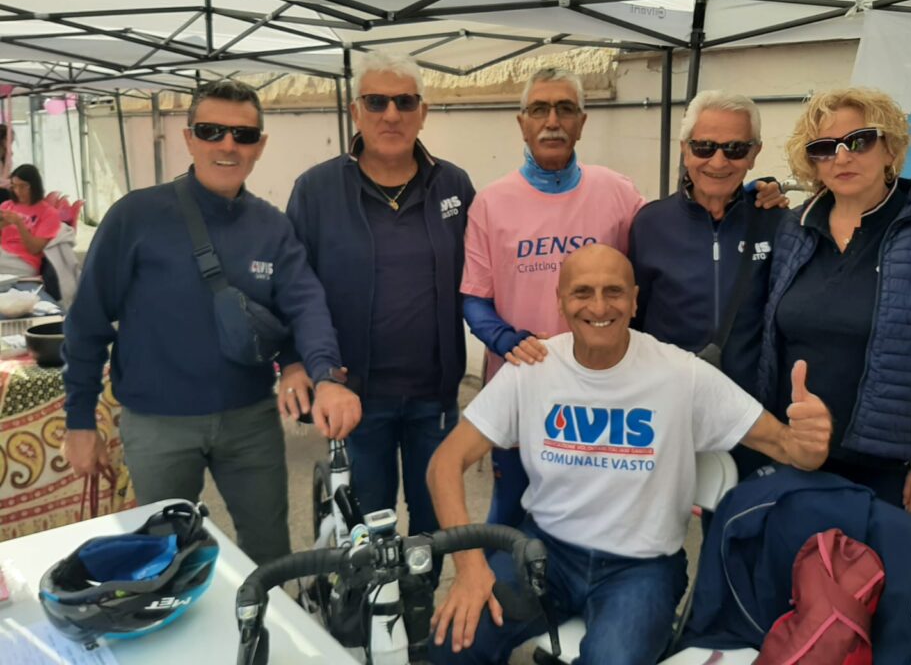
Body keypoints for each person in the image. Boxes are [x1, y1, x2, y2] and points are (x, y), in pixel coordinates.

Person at [428, 244, 833, 665]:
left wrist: (809, 443)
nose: (599, 306)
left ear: (635, 300)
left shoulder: (681, 374)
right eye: (582, 292)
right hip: (543, 553)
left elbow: (786, 446)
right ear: (560, 301)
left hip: (640, 569)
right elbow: (445, 464)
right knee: (453, 641)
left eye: (614, 291)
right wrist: (470, 568)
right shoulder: (532, 368)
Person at [62, 79, 349, 565]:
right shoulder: (136, 217)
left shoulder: (271, 227)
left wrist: (313, 370)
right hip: (158, 426)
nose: (227, 145)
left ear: (260, 145)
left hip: (249, 421)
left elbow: (304, 305)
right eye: (211, 131)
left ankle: (266, 618)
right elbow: (86, 323)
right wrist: (79, 421)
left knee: (269, 554)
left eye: (243, 135)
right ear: (188, 137)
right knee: (163, 557)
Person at [757, 87, 911, 517]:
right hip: (791, 452)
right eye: (825, 147)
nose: (842, 157)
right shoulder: (794, 228)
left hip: (880, 469)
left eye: (859, 140)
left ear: (890, 148)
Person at [279, 51, 475, 538]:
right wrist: (294, 361)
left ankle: (426, 590)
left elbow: (482, 275)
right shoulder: (316, 190)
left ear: (423, 112)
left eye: (405, 102)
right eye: (376, 102)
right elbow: (290, 285)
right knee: (369, 532)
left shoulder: (453, 184)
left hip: (435, 397)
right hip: (356, 397)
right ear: (355, 111)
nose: (391, 114)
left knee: (436, 528)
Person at [460, 66, 645, 528]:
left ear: (582, 122)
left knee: (596, 521)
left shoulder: (619, 192)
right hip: (522, 391)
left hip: (601, 396)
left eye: (565, 109)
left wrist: (734, 200)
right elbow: (474, 298)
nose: (552, 121)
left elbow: (671, 242)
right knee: (511, 521)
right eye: (539, 109)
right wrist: (508, 341)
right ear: (521, 122)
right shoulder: (491, 202)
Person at [630, 91, 788, 477]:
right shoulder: (649, 223)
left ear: (754, 154)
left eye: (735, 149)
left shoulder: (778, 222)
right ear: (685, 149)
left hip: (752, 419)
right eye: (704, 147)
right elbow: (634, 322)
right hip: (666, 415)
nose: (718, 162)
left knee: (741, 513)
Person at [0, 163, 62, 276]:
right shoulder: (7, 206)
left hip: (24, 261)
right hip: (3, 254)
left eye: (23, 186)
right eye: (14, 186)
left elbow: (34, 249)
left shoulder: (48, 213)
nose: (18, 191)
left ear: (34, 185)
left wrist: (19, 223)